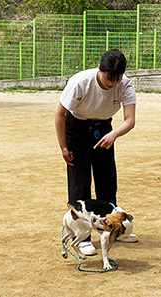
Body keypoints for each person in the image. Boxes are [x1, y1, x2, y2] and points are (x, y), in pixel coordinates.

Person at [54, 49, 139, 256]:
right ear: (99, 69)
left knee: (107, 181)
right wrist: (64, 147)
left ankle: (114, 229)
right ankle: (81, 237)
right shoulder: (80, 82)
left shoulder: (125, 84)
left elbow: (130, 120)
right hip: (76, 128)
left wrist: (114, 134)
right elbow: (59, 113)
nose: (112, 84)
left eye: (116, 79)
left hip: (104, 130)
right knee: (80, 181)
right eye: (109, 79)